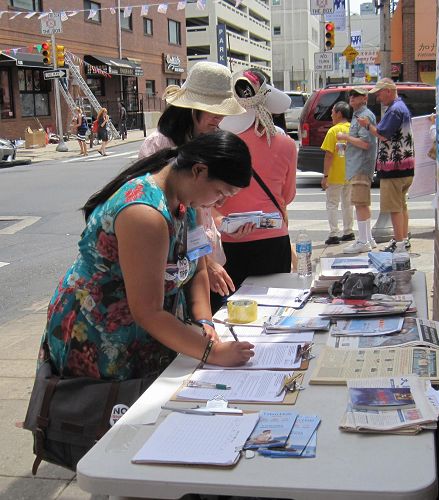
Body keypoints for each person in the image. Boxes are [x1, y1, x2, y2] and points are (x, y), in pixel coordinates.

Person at [38, 130, 255, 381]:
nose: (219, 203)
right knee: (102, 411)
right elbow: (147, 310)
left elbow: (198, 269)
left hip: (148, 328)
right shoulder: (145, 213)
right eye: (220, 193)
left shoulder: (188, 202)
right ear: (199, 171)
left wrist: (205, 321)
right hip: (99, 330)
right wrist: (213, 352)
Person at [139, 61, 252, 301]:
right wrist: (205, 262)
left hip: (202, 257)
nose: (219, 118)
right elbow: (173, 212)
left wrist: (222, 224)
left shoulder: (205, 139)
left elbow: (200, 210)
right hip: (174, 263)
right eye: (214, 110)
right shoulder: (160, 145)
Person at [215, 69, 297, 312]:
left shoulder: (221, 144)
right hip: (273, 239)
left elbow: (208, 201)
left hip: (230, 239)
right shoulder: (285, 144)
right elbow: (288, 195)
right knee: (273, 309)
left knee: (234, 313)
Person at [357, 78, 415, 253]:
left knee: (394, 208)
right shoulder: (400, 108)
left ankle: (399, 244)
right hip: (405, 167)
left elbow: (382, 134)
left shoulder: (395, 110)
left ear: (389, 91)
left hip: (394, 168)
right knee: (401, 205)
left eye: (380, 93)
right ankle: (402, 240)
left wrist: (367, 125)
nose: (378, 97)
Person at [337, 87, 377, 254]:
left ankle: (363, 240)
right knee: (362, 203)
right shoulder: (358, 115)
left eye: (356, 96)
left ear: (364, 98)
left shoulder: (364, 116)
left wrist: (346, 137)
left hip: (360, 165)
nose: (352, 98)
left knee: (360, 203)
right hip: (358, 164)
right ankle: (367, 238)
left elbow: (366, 143)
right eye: (351, 96)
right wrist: (348, 144)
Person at [320, 101, 354, 245]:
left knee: (332, 204)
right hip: (351, 173)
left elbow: (329, 155)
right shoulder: (353, 129)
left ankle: (334, 233)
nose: (331, 114)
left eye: (333, 111)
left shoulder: (333, 131)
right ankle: (348, 231)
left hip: (335, 175)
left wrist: (325, 176)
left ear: (339, 114)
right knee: (348, 204)